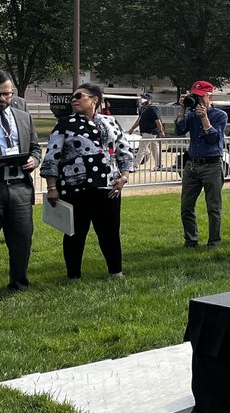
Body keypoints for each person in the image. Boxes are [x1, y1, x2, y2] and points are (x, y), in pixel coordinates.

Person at [40, 83, 135, 281]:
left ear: (94, 100)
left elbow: (124, 151)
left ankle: (116, 272)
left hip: (108, 187)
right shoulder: (65, 124)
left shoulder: (110, 122)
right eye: (72, 97)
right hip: (75, 189)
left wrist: (124, 177)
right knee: (75, 233)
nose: (73, 100)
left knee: (109, 232)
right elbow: (52, 157)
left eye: (79, 96)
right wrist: (52, 187)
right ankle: (73, 275)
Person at [0, 71, 42, 291]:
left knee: (22, 240)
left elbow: (35, 148)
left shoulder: (24, 117)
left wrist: (34, 160)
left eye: (7, 94)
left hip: (20, 188)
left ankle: (19, 284)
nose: (3, 99)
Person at [175, 80, 227, 248]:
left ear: (210, 96)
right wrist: (183, 109)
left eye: (200, 96)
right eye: (194, 96)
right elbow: (179, 131)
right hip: (192, 165)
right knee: (186, 206)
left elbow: (214, 139)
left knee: (213, 207)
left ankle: (214, 242)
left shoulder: (220, 115)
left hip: (212, 165)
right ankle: (191, 240)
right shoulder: (191, 115)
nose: (197, 100)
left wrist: (205, 118)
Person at [129, 94, 165, 170]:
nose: (142, 99)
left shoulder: (152, 108)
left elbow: (157, 120)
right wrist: (132, 128)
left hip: (150, 131)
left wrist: (161, 131)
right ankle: (159, 164)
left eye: (144, 98)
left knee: (142, 147)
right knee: (154, 148)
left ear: (149, 99)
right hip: (146, 131)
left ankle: (135, 166)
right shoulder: (142, 108)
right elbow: (139, 120)